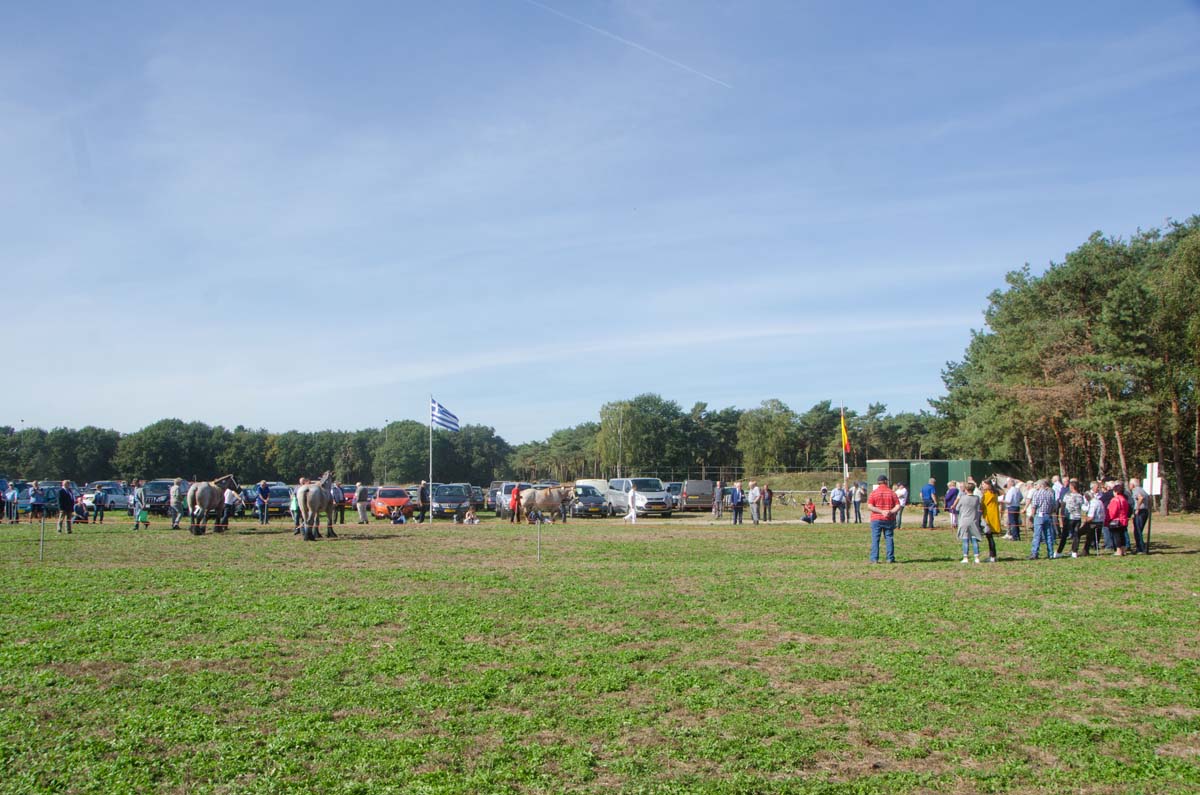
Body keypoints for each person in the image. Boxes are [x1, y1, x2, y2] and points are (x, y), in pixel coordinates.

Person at [867, 475, 900, 563]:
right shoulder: (892, 493)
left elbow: (870, 506)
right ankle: (890, 558)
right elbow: (898, 506)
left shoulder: (874, 493)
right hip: (889, 519)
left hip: (876, 519)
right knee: (889, 538)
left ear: (878, 482)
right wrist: (890, 511)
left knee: (875, 539)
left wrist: (881, 511)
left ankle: (874, 559)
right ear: (886, 482)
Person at [1028, 479, 1058, 560]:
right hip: (1048, 515)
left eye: (1037, 485)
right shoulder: (1050, 494)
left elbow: (1034, 506)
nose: (1036, 486)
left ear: (1041, 485)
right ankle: (1050, 553)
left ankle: (1034, 553)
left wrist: (1032, 515)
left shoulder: (1036, 493)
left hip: (1039, 515)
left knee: (1037, 535)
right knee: (1048, 535)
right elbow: (1053, 506)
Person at [1056, 480, 1087, 558]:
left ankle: (1059, 551)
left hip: (1069, 517)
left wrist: (1062, 516)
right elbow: (1082, 506)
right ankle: (1074, 551)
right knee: (1076, 535)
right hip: (1077, 517)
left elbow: (1063, 506)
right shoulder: (1080, 496)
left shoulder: (1067, 495)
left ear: (1072, 487)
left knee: (1064, 535)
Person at [955, 481, 983, 563]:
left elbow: (957, 508)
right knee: (974, 539)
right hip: (973, 521)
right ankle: (977, 557)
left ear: (966, 489)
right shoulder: (977, 498)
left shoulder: (963, 498)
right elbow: (979, 507)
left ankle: (965, 557)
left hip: (964, 521)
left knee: (965, 539)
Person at [1106, 482, 1131, 556]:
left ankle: (1118, 550)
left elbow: (1112, 512)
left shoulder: (1115, 500)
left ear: (1116, 491)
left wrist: (1108, 519)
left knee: (1116, 536)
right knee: (1122, 535)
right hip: (1123, 519)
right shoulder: (1124, 499)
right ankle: (1123, 550)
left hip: (1116, 520)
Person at [979, 480, 1001, 563]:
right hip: (992, 516)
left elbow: (982, 505)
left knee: (990, 537)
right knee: (990, 537)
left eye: (983, 484)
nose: (982, 486)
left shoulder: (988, 494)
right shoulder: (994, 493)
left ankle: (992, 556)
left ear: (988, 485)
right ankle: (992, 556)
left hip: (989, 517)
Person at [1129, 477, 1149, 554]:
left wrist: (1137, 508)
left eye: (1130, 484)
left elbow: (1140, 498)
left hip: (1140, 511)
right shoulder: (1142, 489)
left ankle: (1141, 548)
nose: (1129, 485)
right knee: (1139, 530)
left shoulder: (1136, 490)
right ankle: (1140, 548)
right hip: (1145, 511)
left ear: (1133, 484)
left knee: (1137, 531)